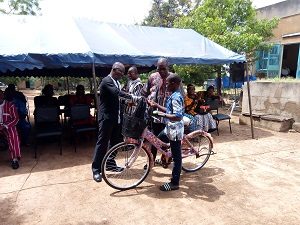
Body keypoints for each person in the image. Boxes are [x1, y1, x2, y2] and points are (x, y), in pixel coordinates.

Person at [92, 62, 135, 183]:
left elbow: (118, 99)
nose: (122, 74)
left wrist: (128, 103)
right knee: (103, 142)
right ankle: (96, 169)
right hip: (106, 118)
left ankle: (110, 164)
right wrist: (132, 97)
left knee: (115, 141)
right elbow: (117, 94)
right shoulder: (107, 81)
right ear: (115, 69)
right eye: (121, 72)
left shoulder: (116, 82)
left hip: (117, 118)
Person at [148, 74, 184, 191]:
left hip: (175, 130)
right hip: (169, 127)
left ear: (174, 84)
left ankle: (175, 183)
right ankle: (165, 156)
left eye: (168, 83)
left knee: (177, 157)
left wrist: (162, 114)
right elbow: (170, 110)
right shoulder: (173, 95)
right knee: (157, 140)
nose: (166, 85)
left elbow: (178, 116)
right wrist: (157, 105)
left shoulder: (176, 97)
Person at [142, 57, 174, 162]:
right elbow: (145, 92)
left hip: (169, 115)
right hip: (155, 115)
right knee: (154, 139)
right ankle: (152, 161)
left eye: (164, 69)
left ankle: (166, 157)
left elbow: (181, 96)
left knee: (167, 139)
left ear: (168, 67)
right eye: (159, 69)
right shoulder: (152, 77)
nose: (161, 71)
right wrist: (147, 100)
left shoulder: (173, 78)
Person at [0, 90, 21, 169]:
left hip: (7, 125)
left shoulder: (10, 105)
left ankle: (14, 159)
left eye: (0, 95)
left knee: (13, 135)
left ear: (3, 96)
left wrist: (5, 125)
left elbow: (16, 118)